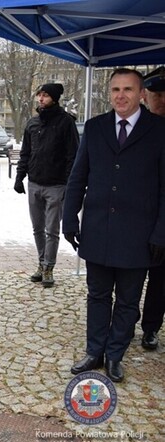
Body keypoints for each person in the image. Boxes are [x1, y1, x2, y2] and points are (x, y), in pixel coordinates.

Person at [63, 68, 165, 382]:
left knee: (127, 300)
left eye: (128, 89)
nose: (121, 96)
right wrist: (69, 216)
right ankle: (94, 350)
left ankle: (115, 355)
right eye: (116, 89)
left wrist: (161, 232)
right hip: (97, 229)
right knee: (97, 294)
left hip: (139, 234)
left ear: (142, 94)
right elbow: (79, 176)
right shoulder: (95, 128)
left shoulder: (159, 130)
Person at [14, 83, 79, 287]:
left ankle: (49, 267)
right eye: (39, 95)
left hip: (56, 185)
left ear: (55, 98)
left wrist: (69, 184)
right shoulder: (32, 123)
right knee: (37, 228)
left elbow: (72, 156)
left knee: (52, 229)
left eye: (45, 95)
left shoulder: (66, 123)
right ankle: (42, 263)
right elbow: (26, 152)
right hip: (35, 182)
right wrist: (20, 176)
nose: (41, 99)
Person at [140, 66, 165, 351]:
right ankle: (127, 318)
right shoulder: (138, 127)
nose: (162, 100)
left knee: (160, 278)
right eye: (156, 94)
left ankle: (151, 328)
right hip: (139, 215)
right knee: (130, 277)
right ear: (146, 96)